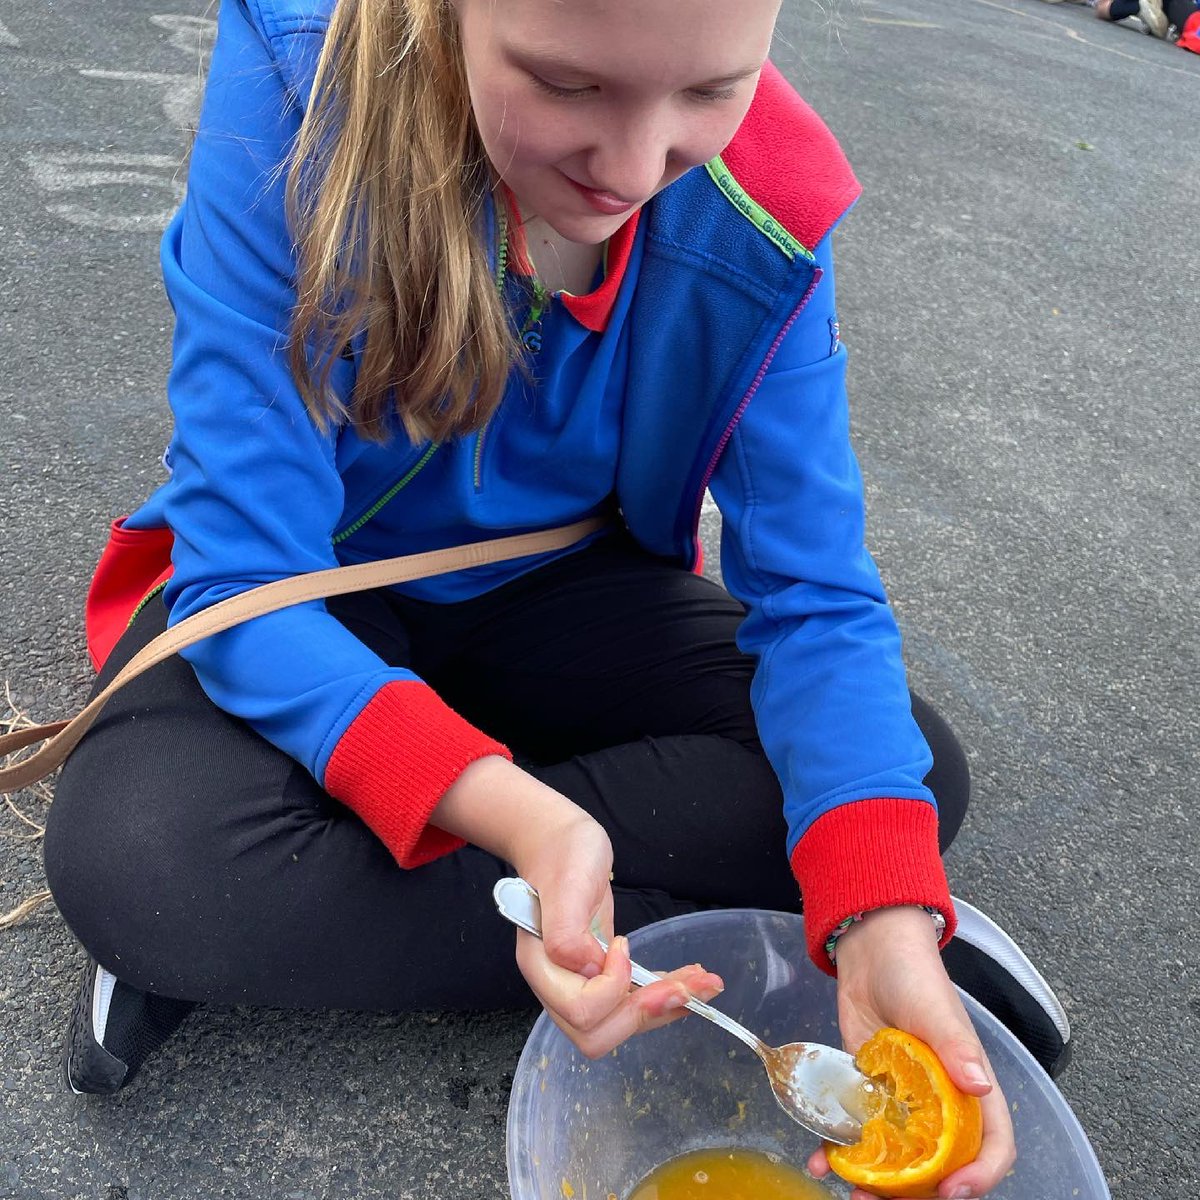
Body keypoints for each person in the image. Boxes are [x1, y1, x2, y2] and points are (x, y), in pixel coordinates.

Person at [40, 1, 1067, 1195]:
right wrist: (523, 819)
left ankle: (850, 923)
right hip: (317, 590)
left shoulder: (768, 204)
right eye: (567, 85)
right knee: (145, 863)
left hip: (563, 589)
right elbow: (248, 575)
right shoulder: (298, 95)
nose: (633, 168)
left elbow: (818, 599)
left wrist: (880, 902)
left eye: (710, 92)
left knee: (902, 782)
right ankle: (769, 909)